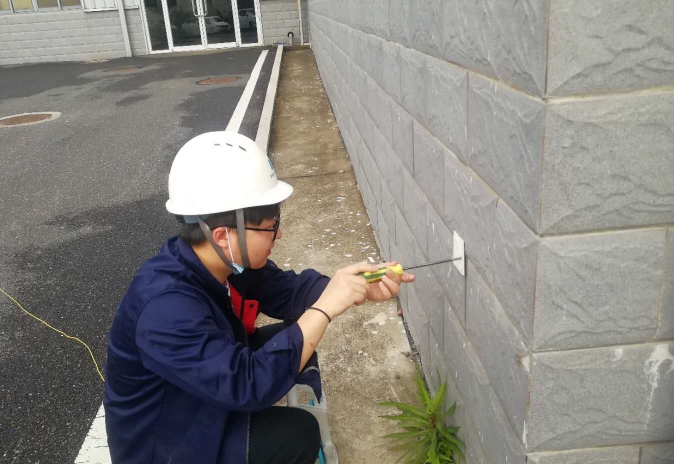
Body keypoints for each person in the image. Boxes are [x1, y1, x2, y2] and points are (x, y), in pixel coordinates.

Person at [104, 131, 414, 464]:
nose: (278, 234)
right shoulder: (165, 310)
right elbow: (246, 385)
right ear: (224, 235)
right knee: (296, 435)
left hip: (195, 398)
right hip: (169, 444)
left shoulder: (223, 261)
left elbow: (287, 291)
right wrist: (324, 310)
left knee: (291, 338)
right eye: (270, 226)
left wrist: (356, 288)